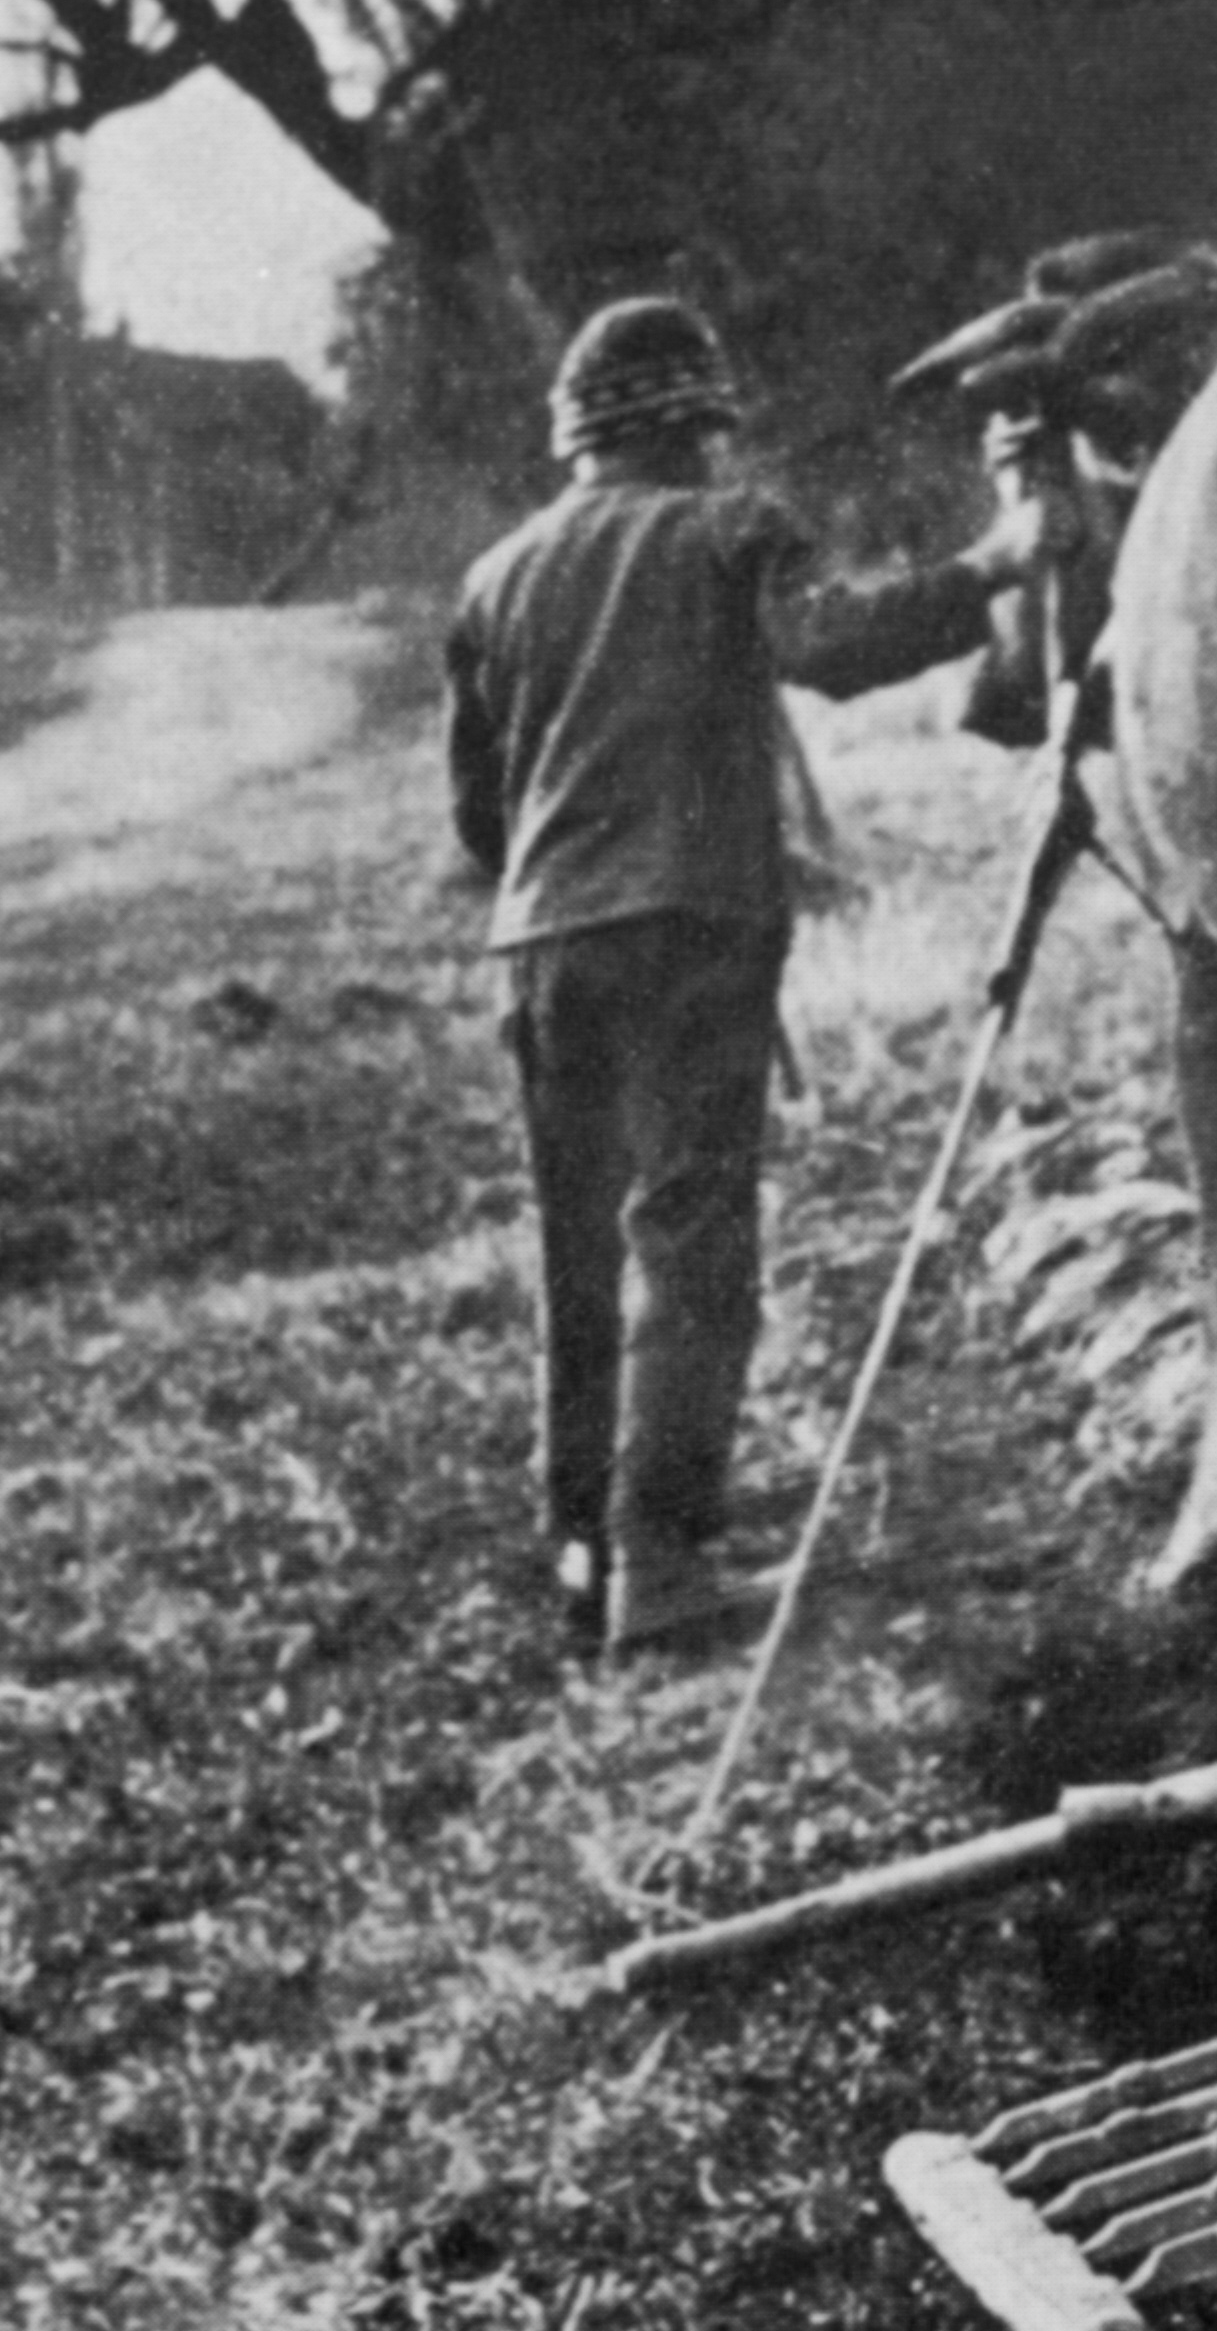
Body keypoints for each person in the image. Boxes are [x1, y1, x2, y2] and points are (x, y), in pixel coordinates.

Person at [446, 294, 1059, 1662]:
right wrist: (997, 561)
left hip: (540, 940)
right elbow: (832, 651)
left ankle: (584, 1540)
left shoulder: (494, 578)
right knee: (692, 1238)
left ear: (576, 439)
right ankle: (662, 1565)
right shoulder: (729, 528)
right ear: (696, 427)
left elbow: (481, 815)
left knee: (577, 1245)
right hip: (692, 927)